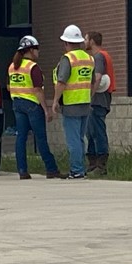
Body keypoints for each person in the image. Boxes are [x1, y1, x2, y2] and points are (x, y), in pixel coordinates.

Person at [8, 35, 61, 179]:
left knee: (21, 137)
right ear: (30, 50)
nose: (39, 52)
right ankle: (51, 169)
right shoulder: (33, 67)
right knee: (41, 138)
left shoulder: (13, 66)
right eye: (37, 49)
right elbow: (38, 90)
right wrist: (45, 109)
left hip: (17, 104)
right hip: (32, 104)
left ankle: (22, 170)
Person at [54, 25, 94, 179]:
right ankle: (81, 169)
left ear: (66, 43)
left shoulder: (68, 59)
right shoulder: (89, 59)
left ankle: (76, 170)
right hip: (85, 103)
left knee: (73, 141)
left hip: (71, 105)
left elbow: (62, 81)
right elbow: (91, 81)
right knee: (80, 139)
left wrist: (56, 101)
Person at [85, 31, 114, 176]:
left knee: (97, 132)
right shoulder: (102, 55)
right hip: (101, 99)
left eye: (85, 38)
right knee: (91, 132)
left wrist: (90, 95)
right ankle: (93, 163)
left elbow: (97, 77)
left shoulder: (98, 57)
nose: (84, 41)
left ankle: (100, 165)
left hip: (98, 100)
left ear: (91, 41)